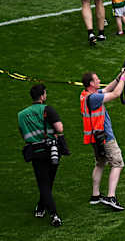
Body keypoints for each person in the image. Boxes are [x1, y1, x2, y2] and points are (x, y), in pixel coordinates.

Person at [80, 68, 125, 211]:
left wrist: (119, 76)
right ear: (91, 83)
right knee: (117, 163)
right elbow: (116, 93)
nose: (99, 80)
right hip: (105, 137)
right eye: (97, 79)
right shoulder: (94, 98)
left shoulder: (86, 95)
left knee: (100, 163)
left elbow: (108, 88)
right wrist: (124, 79)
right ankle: (111, 197)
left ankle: (95, 196)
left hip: (94, 138)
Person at [18, 84, 66, 227]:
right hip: (52, 150)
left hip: (36, 152)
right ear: (42, 96)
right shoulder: (48, 109)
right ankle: (54, 214)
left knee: (44, 183)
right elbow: (59, 128)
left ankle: (41, 206)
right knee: (48, 182)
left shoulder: (21, 115)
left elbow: (23, 134)